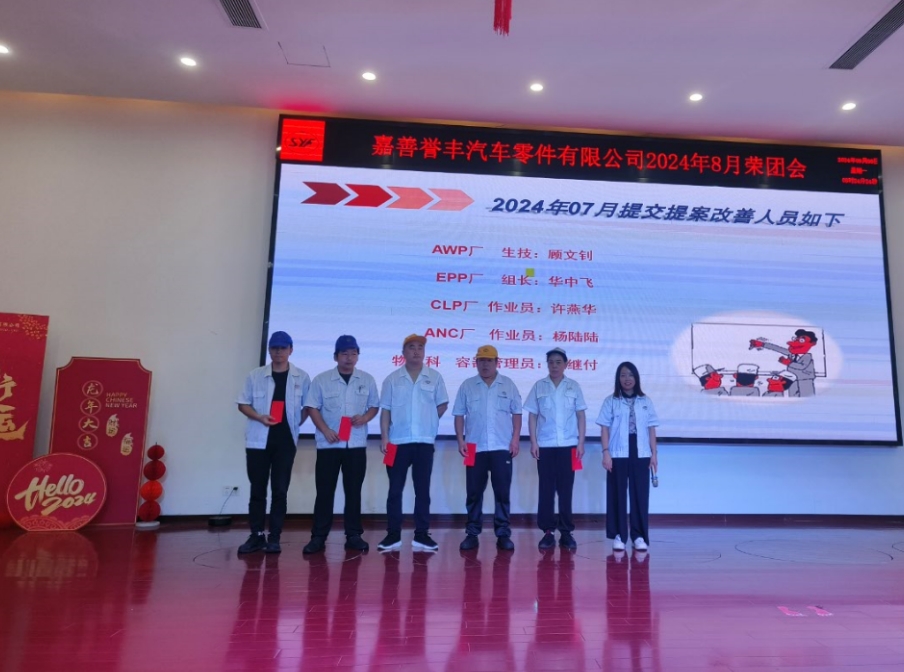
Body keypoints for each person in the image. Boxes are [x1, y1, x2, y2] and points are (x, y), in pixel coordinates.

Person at [302, 335, 380, 554]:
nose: (349, 358)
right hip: (329, 445)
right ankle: (318, 537)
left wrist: (365, 418)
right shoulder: (321, 380)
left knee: (353, 491)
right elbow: (312, 407)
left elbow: (374, 406)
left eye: (354, 353)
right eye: (344, 353)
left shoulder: (367, 379)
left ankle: (353, 535)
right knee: (324, 492)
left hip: (355, 445)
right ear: (336, 356)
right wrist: (325, 430)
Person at [236, 331, 310, 554]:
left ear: (291, 350)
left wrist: (295, 423)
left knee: (280, 490)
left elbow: (309, 407)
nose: (278, 352)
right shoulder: (255, 375)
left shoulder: (301, 377)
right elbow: (242, 404)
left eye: (283, 348)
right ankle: (256, 535)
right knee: (257, 490)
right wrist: (260, 417)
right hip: (258, 442)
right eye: (274, 348)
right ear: (269, 350)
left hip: (285, 442)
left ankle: (274, 537)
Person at [378, 334, 449, 552]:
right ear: (403, 352)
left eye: (420, 347)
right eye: (411, 347)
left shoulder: (434, 377)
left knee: (422, 491)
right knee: (394, 491)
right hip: (396, 443)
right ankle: (393, 535)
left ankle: (421, 535)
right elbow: (385, 410)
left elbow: (442, 405)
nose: (416, 351)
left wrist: (428, 422)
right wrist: (384, 437)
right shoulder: (392, 379)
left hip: (424, 443)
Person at [454, 345, 522, 551]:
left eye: (489, 360)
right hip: (474, 448)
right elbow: (459, 415)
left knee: (502, 493)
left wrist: (515, 439)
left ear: (496, 362)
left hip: (502, 447)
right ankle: (472, 533)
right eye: (481, 360)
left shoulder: (508, 384)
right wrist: (460, 440)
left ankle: (503, 534)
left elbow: (517, 414)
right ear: (476, 363)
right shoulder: (467, 386)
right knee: (473, 493)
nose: (485, 364)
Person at [523, 347, 587, 551]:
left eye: (558, 362)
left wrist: (581, 442)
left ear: (566, 364)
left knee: (566, 490)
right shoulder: (539, 386)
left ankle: (566, 532)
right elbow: (532, 416)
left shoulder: (573, 386)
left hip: (569, 446)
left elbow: (581, 416)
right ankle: (548, 532)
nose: (554, 366)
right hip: (546, 446)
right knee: (546, 490)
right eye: (551, 362)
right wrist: (533, 442)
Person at [596, 361, 659, 552]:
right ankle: (619, 535)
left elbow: (651, 429)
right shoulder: (611, 401)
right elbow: (604, 429)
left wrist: (654, 454)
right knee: (617, 493)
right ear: (618, 378)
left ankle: (638, 536)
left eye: (631, 375)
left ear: (636, 378)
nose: (627, 379)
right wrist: (606, 452)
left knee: (640, 494)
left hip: (641, 452)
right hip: (617, 452)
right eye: (623, 375)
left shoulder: (645, 401)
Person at [750, 329, 818, 397]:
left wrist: (788, 363)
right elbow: (777, 348)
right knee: (793, 396)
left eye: (801, 340)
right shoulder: (792, 353)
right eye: (796, 339)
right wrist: (762, 344)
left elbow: (802, 366)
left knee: (807, 395)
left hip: (805, 379)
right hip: (792, 378)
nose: (796, 341)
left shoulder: (807, 356)